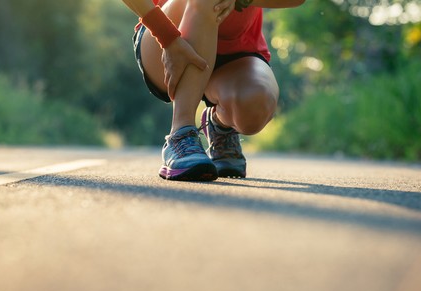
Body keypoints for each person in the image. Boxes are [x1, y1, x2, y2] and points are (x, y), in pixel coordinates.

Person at [123, 0, 305, 181]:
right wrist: (167, 37)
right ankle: (181, 134)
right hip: (167, 36)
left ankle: (220, 125)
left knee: (255, 105)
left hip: (237, 48)